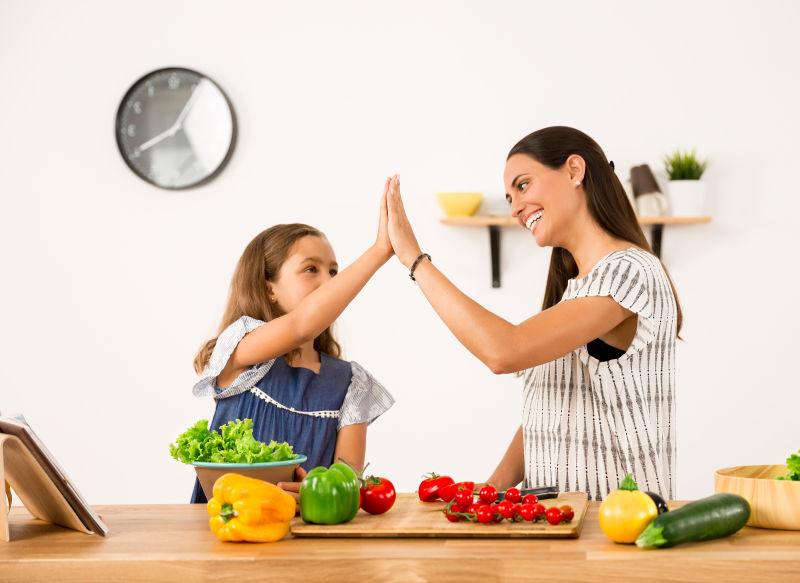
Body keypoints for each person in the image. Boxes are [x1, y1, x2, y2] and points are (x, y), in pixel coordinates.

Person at [385, 126, 681, 501]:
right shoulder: (578, 289)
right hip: (558, 522)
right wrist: (492, 488)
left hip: (615, 526)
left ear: (574, 170)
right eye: (510, 197)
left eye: (523, 186)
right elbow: (549, 410)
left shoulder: (629, 271)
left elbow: (503, 351)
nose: (514, 209)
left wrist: (414, 259)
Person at [189, 183, 395, 503]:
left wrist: (319, 491)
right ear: (268, 287)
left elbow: (349, 480)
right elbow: (301, 326)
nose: (329, 283)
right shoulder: (242, 350)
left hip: (309, 540)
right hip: (226, 533)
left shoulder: (351, 383)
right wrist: (380, 250)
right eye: (310, 269)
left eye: (333, 271)